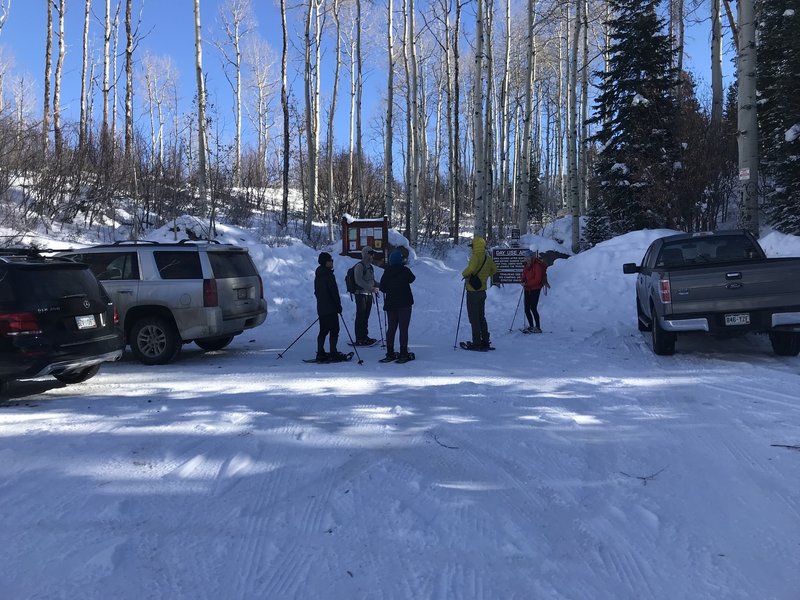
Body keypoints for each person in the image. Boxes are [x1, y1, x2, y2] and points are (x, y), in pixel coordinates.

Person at [461, 236, 498, 351]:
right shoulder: (488, 258)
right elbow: (494, 270)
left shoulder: (475, 257)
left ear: (475, 247)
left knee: (474, 318)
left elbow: (470, 269)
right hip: (482, 291)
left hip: (473, 292)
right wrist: (485, 276)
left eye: (472, 246)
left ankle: (476, 342)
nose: (471, 248)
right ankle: (485, 341)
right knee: (481, 317)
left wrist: (464, 273)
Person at [379, 249, 416, 361]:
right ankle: (403, 352)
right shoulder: (405, 271)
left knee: (391, 328)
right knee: (403, 329)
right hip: (405, 304)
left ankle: (390, 353)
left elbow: (382, 288)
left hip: (391, 304)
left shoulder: (387, 271)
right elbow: (412, 279)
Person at [314, 252, 347, 362]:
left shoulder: (318, 275)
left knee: (323, 330)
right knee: (334, 329)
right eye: (330, 260)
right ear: (326, 262)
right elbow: (334, 293)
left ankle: (320, 352)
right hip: (331, 308)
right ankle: (333, 352)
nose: (332, 262)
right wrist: (338, 306)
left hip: (321, 308)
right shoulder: (329, 275)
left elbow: (317, 292)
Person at [353, 245, 381, 345]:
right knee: (360, 316)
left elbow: (372, 281)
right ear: (365, 254)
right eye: (370, 254)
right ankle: (359, 338)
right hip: (360, 294)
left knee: (365, 317)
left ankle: (364, 336)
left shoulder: (370, 267)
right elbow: (358, 280)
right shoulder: (359, 266)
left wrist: (381, 285)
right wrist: (372, 288)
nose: (372, 256)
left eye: (372, 254)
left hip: (368, 295)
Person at [521, 250, 549, 333]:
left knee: (533, 308)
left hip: (535, 289)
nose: (526, 258)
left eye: (527, 257)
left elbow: (538, 279)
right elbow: (524, 276)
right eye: (525, 257)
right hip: (527, 289)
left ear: (531, 257)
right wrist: (522, 281)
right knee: (526, 309)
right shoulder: (526, 265)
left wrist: (526, 283)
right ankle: (531, 326)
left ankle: (537, 327)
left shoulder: (537, 265)